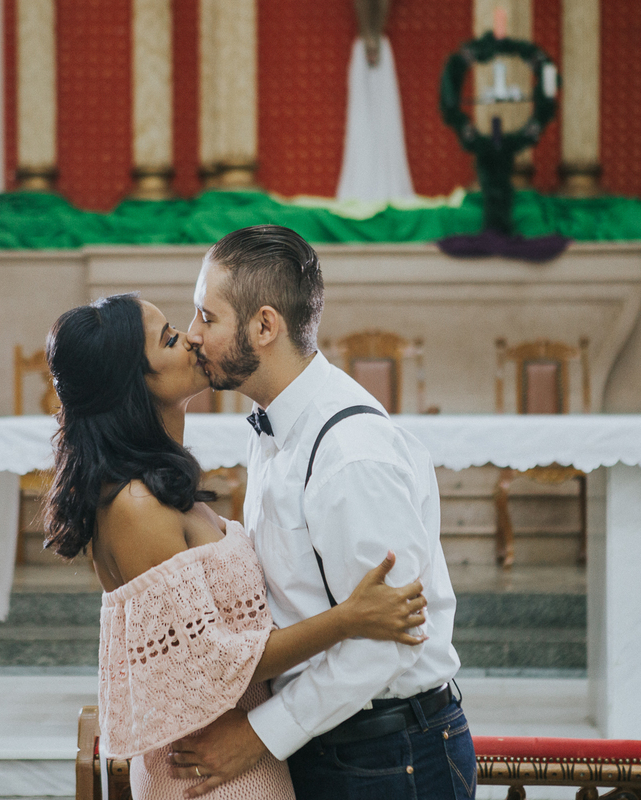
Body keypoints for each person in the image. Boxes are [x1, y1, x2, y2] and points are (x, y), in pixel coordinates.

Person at [43, 293, 430, 800]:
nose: (192, 339)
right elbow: (213, 663)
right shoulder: (135, 507)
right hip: (209, 769)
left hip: (236, 752)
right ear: (133, 382)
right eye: (169, 339)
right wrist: (350, 619)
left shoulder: (154, 483)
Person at [172, 225, 475, 799]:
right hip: (335, 739)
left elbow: (390, 639)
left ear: (265, 326)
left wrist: (259, 735)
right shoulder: (278, 426)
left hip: (388, 755)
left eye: (206, 318)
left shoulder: (349, 456)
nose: (193, 337)